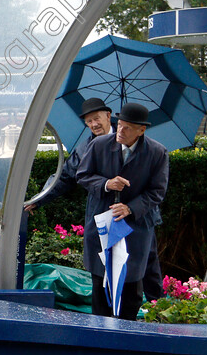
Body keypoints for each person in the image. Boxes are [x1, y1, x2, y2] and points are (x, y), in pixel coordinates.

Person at [25, 97, 163, 302]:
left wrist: (132, 207)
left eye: (96, 118)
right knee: (103, 271)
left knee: (145, 267)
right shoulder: (86, 147)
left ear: (109, 116)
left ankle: (155, 309)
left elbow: (156, 187)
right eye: (88, 121)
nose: (94, 124)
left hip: (139, 218)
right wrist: (39, 199)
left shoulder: (142, 141)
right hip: (105, 218)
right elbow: (66, 177)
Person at [76, 103, 168, 320]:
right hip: (102, 223)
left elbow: (157, 191)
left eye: (127, 128)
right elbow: (82, 175)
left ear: (141, 130)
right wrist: (107, 184)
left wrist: (130, 208)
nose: (120, 131)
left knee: (132, 285)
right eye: (119, 125)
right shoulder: (99, 145)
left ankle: (127, 334)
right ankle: (100, 339)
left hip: (135, 226)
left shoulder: (157, 152)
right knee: (100, 283)